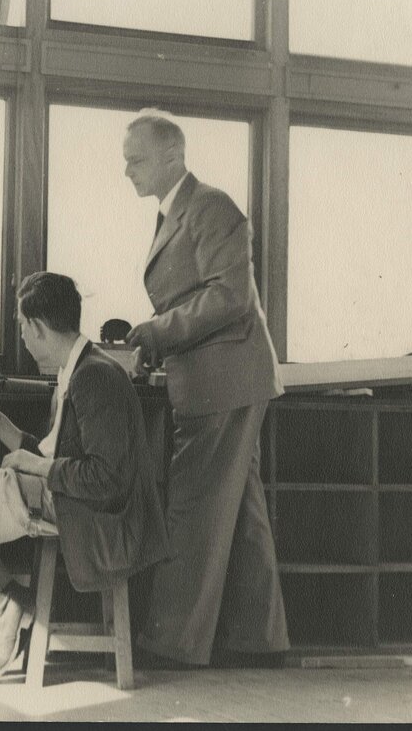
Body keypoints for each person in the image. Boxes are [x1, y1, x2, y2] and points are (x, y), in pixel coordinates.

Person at [0, 272, 168, 683]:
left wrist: (37, 467)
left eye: (24, 328)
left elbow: (106, 478)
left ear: (39, 327)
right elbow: (56, 455)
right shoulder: (78, 368)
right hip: (69, 499)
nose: (24, 338)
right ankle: (0, 603)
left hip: (93, 516)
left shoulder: (94, 376)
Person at [122, 109, 289, 667]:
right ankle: (258, 642)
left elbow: (229, 297)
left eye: (137, 160)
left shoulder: (211, 207)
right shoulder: (180, 211)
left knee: (194, 505)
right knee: (239, 510)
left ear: (173, 155)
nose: (127, 171)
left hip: (224, 379)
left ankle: (173, 644)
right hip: (224, 377)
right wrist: (158, 340)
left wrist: (155, 333)